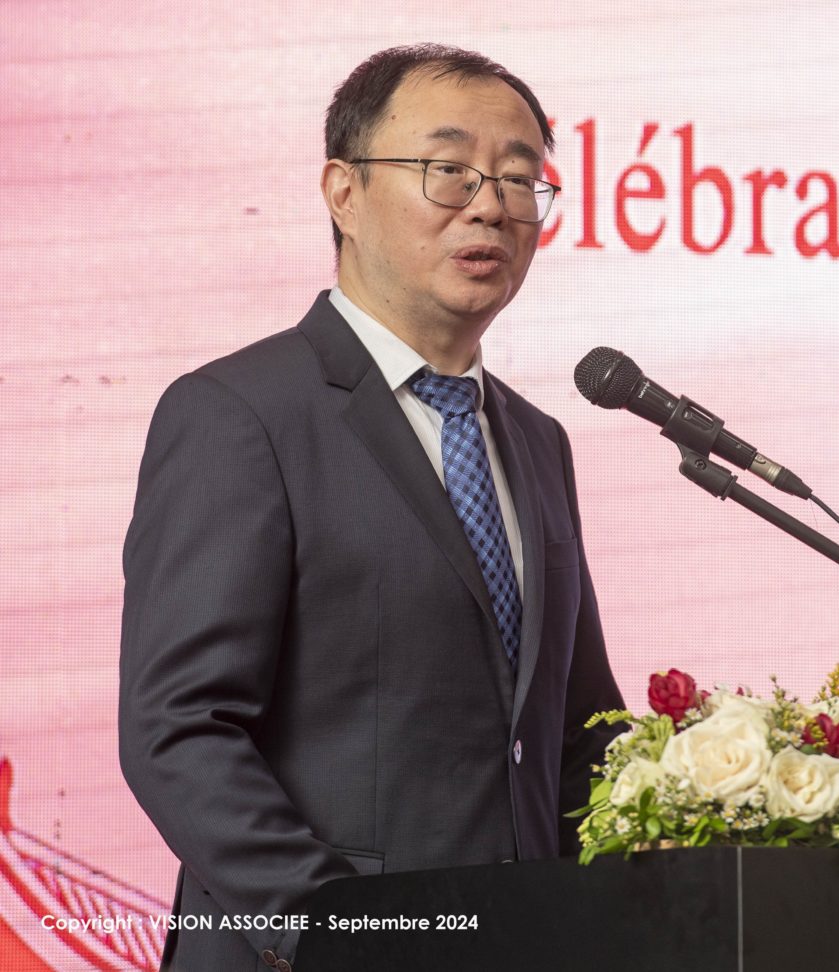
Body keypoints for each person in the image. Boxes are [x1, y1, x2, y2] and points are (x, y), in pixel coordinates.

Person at [119, 43, 624, 972]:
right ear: (342, 192)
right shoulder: (239, 413)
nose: (491, 205)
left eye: (520, 179)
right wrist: (342, 933)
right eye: (448, 171)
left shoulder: (539, 440)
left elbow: (574, 730)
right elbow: (180, 729)